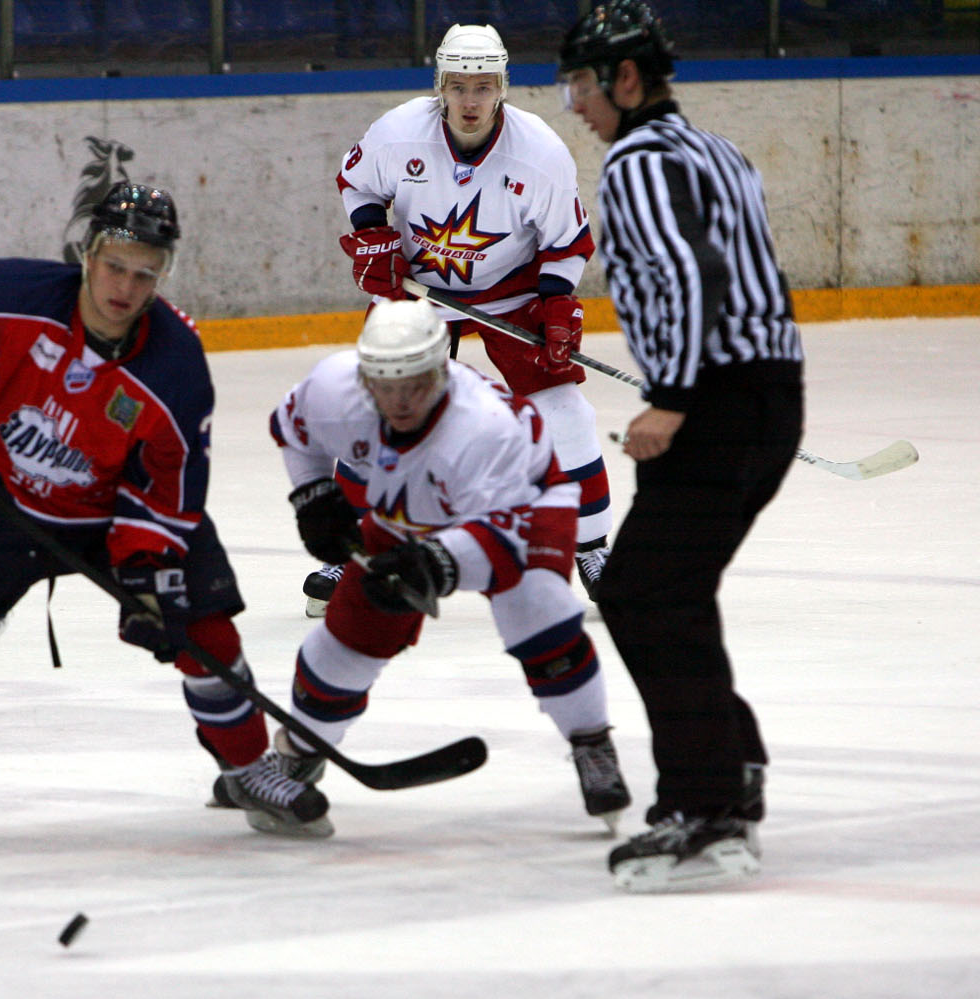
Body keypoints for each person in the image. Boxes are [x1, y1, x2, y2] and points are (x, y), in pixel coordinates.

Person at [0, 182, 332, 840]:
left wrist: (147, 568)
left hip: (117, 515)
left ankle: (248, 767)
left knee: (205, 634)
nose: (126, 289)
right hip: (7, 495)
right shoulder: (17, 294)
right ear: (87, 254)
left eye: (145, 274)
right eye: (115, 266)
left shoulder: (175, 364)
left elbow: (171, 479)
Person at [557, 0, 805, 891]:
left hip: (714, 406)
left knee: (643, 594)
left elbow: (692, 271)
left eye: (583, 81)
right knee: (669, 590)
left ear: (627, 80)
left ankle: (706, 806)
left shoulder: (639, 162)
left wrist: (676, 399)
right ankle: (730, 765)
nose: (574, 102)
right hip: (770, 401)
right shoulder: (719, 152)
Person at [251, 297, 629, 832]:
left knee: (538, 614)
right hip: (415, 505)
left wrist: (433, 564)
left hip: (525, 505)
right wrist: (312, 494)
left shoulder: (483, 428)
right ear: (364, 377)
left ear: (442, 371)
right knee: (351, 634)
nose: (400, 401)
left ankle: (592, 744)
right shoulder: (336, 389)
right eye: (386, 384)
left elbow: (503, 535)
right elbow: (293, 429)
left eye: (415, 384)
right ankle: (297, 753)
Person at [322, 22, 612, 617]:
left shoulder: (539, 153)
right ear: (441, 87)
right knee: (377, 408)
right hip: (421, 292)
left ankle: (594, 549)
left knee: (563, 411)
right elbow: (356, 184)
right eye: (459, 86)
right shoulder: (399, 134)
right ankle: (353, 549)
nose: (471, 100)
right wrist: (375, 238)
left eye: (484, 86)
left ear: (502, 86)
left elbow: (566, 243)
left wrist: (557, 308)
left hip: (512, 290)